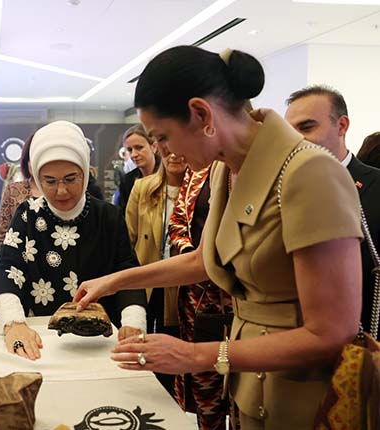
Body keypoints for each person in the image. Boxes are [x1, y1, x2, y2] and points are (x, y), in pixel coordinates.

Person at [74, 46, 362, 429]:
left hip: (306, 401)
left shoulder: (310, 173)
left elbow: (331, 332)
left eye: (163, 136)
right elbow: (206, 260)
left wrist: (194, 355)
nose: (164, 151)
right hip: (250, 388)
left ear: (201, 114)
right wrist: (116, 280)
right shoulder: (223, 169)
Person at [0, 120, 147, 360]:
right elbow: (7, 270)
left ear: (85, 173)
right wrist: (13, 322)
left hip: (99, 342)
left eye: (71, 179)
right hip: (41, 340)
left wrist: (133, 322)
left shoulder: (108, 216)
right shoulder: (27, 215)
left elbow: (126, 272)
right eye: (50, 181)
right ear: (37, 177)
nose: (61, 191)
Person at [285, 85, 380, 339]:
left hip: (362, 341)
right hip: (294, 339)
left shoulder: (375, 186)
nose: (296, 140)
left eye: (306, 128)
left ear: (342, 126)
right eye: (289, 132)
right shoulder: (281, 190)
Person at [168, 162, 236, 430]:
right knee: (204, 389)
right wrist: (190, 255)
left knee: (243, 391)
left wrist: (205, 263)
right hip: (197, 301)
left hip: (239, 303)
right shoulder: (196, 171)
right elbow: (177, 222)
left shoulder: (250, 169)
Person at [124, 141, 186, 394]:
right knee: (143, 347)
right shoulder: (143, 188)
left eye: (180, 147)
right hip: (147, 278)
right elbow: (128, 239)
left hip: (183, 282)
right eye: (167, 147)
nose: (174, 154)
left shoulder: (201, 191)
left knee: (174, 348)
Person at [0, 135, 41, 249]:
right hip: (17, 256)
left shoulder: (60, 191)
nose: (34, 163)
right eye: (30, 158)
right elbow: (2, 235)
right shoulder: (13, 190)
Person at [116, 124, 160, 214]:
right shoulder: (127, 181)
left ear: (154, 147)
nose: (133, 154)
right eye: (130, 150)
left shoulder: (169, 176)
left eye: (139, 148)